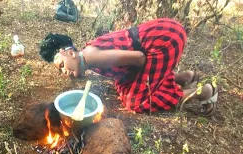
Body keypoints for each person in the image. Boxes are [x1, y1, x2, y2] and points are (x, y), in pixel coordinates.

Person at [39, 18, 218, 116]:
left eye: (61, 65)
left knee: (136, 102)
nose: (64, 71)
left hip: (164, 40)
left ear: (70, 53)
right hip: (163, 34)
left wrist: (139, 84)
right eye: (60, 70)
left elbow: (139, 58)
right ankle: (183, 77)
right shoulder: (86, 58)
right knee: (123, 86)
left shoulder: (91, 56)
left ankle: (203, 92)